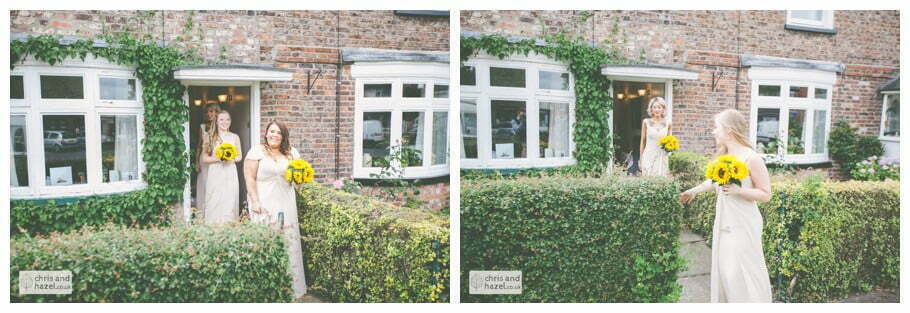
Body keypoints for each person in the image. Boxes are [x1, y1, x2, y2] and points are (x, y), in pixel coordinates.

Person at [679, 109, 773, 302]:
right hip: (724, 221)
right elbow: (712, 181)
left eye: (716, 127)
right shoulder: (723, 158)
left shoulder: (751, 158)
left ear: (729, 130)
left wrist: (740, 191)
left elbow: (766, 194)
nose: (713, 131)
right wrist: (693, 191)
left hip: (744, 223)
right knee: (726, 273)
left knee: (741, 272)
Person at [243, 121, 307, 299]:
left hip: (286, 200)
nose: (274, 135)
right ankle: (264, 288)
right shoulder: (256, 151)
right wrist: (255, 201)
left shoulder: (292, 153)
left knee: (288, 238)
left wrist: (300, 178)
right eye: (272, 131)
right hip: (264, 201)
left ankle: (290, 285)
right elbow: (249, 178)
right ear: (266, 133)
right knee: (265, 239)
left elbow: (298, 178)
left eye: (279, 133)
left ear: (283, 136)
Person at [202, 110, 241, 226]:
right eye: (222, 119)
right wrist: (219, 158)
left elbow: (239, 156)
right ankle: (213, 228)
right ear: (216, 121)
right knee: (214, 200)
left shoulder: (235, 137)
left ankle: (229, 228)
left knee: (230, 201)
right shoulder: (209, 137)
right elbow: (204, 158)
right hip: (215, 172)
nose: (225, 122)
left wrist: (230, 158)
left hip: (230, 172)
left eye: (227, 119)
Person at [195, 103, 221, 216]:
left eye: (211, 111)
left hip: (216, 159)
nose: (209, 114)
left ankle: (216, 212)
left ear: (217, 113)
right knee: (205, 185)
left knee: (216, 185)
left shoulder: (221, 126)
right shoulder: (202, 127)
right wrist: (196, 162)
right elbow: (198, 146)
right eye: (207, 112)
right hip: (204, 160)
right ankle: (203, 213)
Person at [639, 97, 671, 177]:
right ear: (651, 109)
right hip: (648, 155)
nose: (657, 110)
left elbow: (670, 142)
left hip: (661, 157)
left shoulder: (668, 123)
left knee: (660, 180)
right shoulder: (646, 122)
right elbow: (643, 141)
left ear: (663, 109)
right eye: (654, 107)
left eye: (659, 107)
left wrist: (669, 150)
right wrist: (641, 158)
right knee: (647, 179)